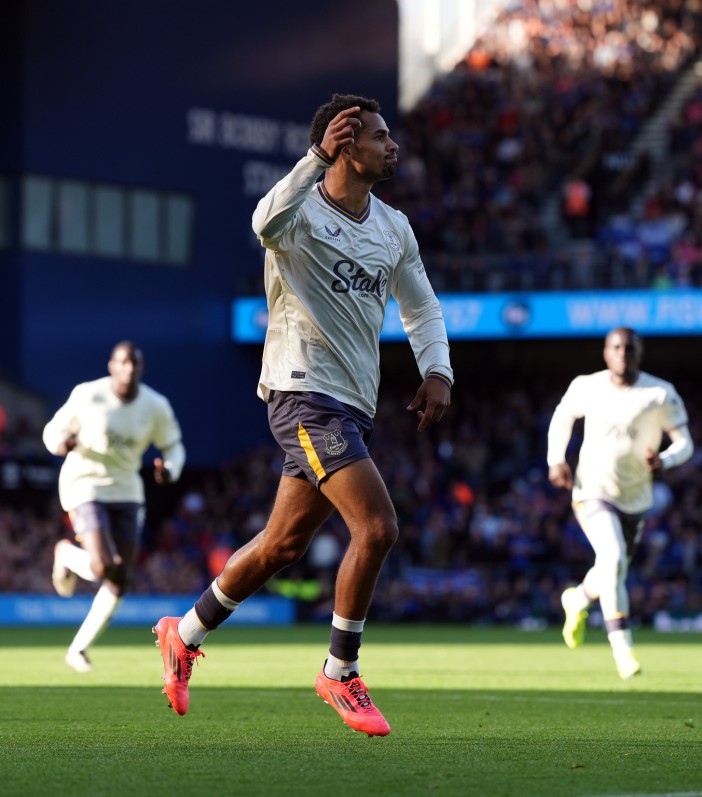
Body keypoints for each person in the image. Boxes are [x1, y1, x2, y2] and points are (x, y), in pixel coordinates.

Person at [153, 93, 453, 736]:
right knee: (377, 527)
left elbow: (421, 308)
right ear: (344, 143)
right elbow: (262, 221)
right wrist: (312, 159)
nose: (392, 146)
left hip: (352, 400)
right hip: (302, 393)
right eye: (378, 136)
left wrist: (436, 369)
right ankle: (339, 671)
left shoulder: (394, 228)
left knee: (282, 546)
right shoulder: (297, 212)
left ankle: (185, 631)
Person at [547, 327, 693, 679]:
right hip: (592, 490)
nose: (623, 353)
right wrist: (556, 459)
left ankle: (578, 598)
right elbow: (562, 416)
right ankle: (623, 649)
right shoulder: (588, 385)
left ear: (639, 353)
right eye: (616, 347)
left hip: (636, 500)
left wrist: (666, 460)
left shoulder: (659, 393)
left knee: (612, 570)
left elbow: (685, 443)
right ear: (605, 352)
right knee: (611, 558)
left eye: (629, 347)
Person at [43, 341, 185, 672]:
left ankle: (77, 650)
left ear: (141, 368)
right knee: (102, 565)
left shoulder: (155, 405)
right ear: (111, 366)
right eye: (122, 362)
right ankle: (66, 553)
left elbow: (174, 446)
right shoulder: (88, 395)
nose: (128, 369)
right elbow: (53, 431)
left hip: (127, 490)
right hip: (85, 483)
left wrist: (171, 468)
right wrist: (59, 443)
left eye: (134, 363)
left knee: (120, 577)